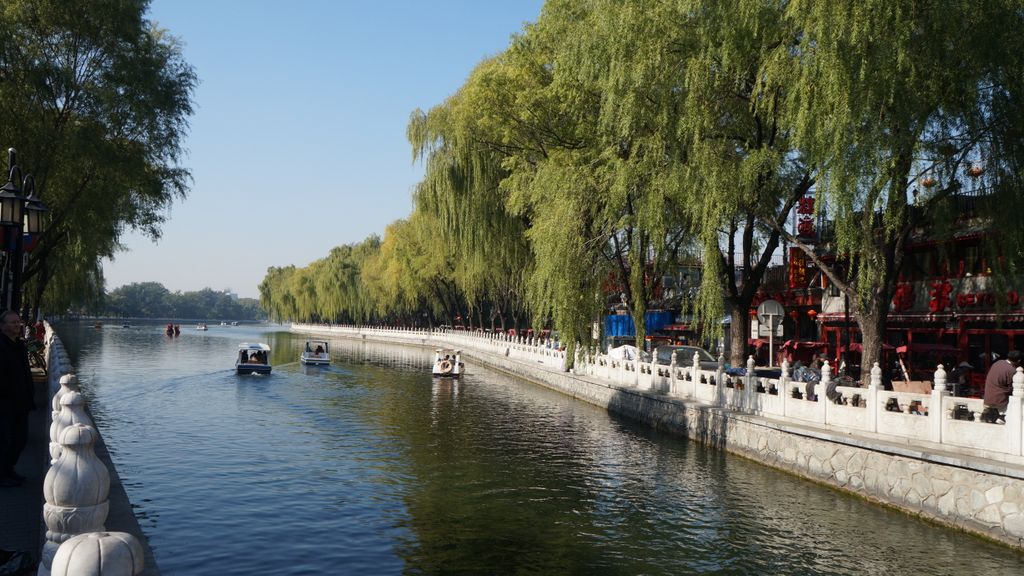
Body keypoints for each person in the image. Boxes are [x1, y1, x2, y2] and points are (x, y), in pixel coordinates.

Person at [0, 310, 35, 487]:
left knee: (20, 438)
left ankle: (8, 469)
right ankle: (2, 474)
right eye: (12, 322)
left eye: (18, 322)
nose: (16, 325)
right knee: (4, 439)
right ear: (2, 326)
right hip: (5, 402)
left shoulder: (19, 345)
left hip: (22, 401)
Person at [982, 350, 1021, 422]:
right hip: (999, 400)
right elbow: (1012, 387)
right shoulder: (1012, 370)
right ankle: (1002, 417)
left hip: (987, 397)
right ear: (1018, 361)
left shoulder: (997, 363)